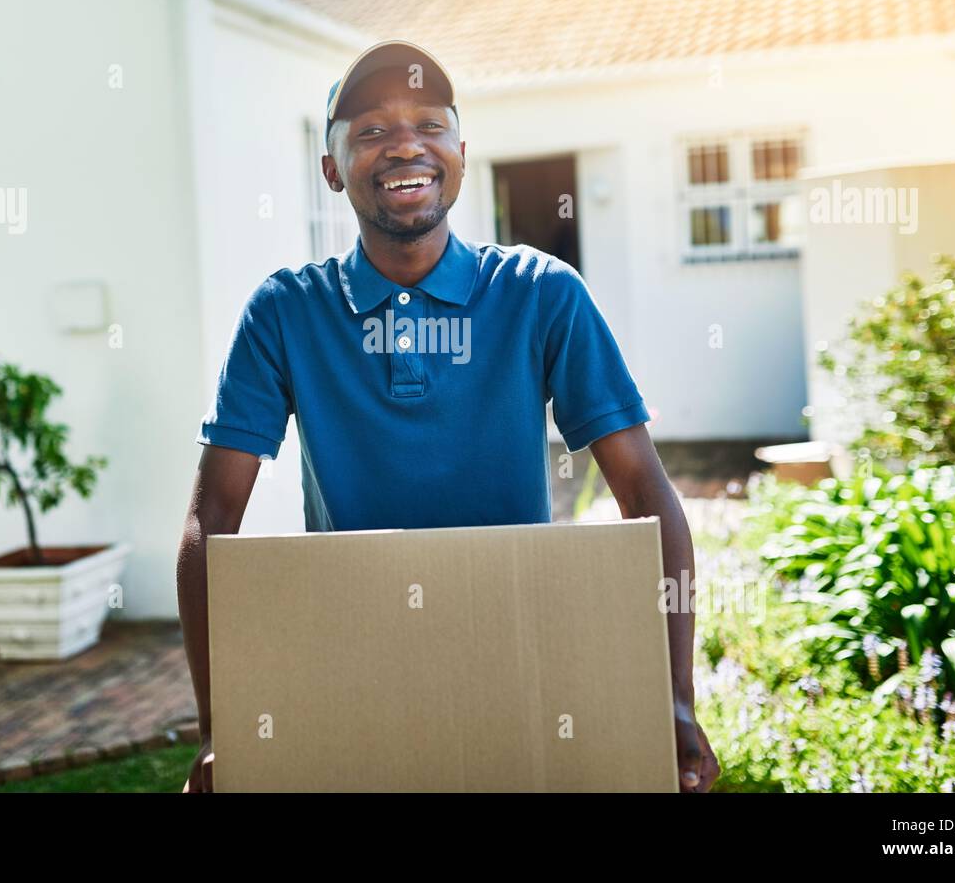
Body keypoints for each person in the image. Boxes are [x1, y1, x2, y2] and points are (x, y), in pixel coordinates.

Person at [177, 39, 719, 793]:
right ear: (331, 168)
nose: (405, 143)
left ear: (460, 152)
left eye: (429, 124)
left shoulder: (542, 293)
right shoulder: (285, 312)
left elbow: (646, 496)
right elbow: (213, 521)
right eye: (369, 131)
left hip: (524, 667)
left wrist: (673, 697)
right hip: (348, 677)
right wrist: (220, 726)